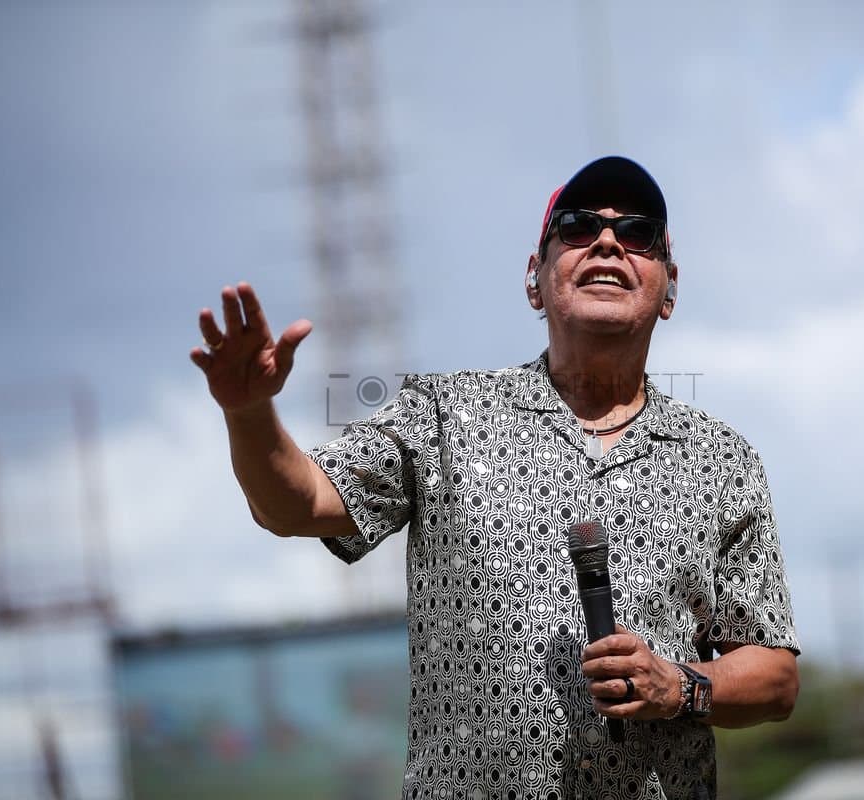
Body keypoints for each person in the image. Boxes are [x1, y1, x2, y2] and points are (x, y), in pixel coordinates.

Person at [191, 156, 800, 799]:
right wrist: (249, 411)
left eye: (639, 234)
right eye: (576, 225)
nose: (607, 242)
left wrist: (680, 687)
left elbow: (775, 677)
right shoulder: (444, 417)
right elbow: (297, 504)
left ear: (669, 288)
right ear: (535, 282)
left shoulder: (721, 460)